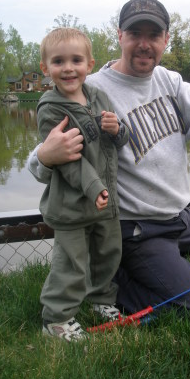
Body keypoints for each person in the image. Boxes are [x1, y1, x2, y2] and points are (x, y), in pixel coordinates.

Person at [29, 0, 190, 322]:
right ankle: (109, 284)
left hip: (176, 216)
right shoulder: (91, 90)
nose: (144, 44)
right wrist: (45, 155)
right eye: (135, 33)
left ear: (165, 40)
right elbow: (46, 152)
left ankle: (161, 257)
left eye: (153, 35)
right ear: (120, 36)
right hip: (136, 226)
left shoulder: (169, 81)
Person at [36, 28, 129, 342]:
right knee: (72, 265)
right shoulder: (51, 110)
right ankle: (57, 318)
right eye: (58, 61)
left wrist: (118, 130)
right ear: (45, 68)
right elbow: (67, 160)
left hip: (107, 203)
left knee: (108, 255)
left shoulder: (98, 96)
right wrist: (94, 188)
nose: (68, 68)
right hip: (73, 206)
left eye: (76, 60)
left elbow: (117, 140)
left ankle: (101, 300)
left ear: (90, 64)